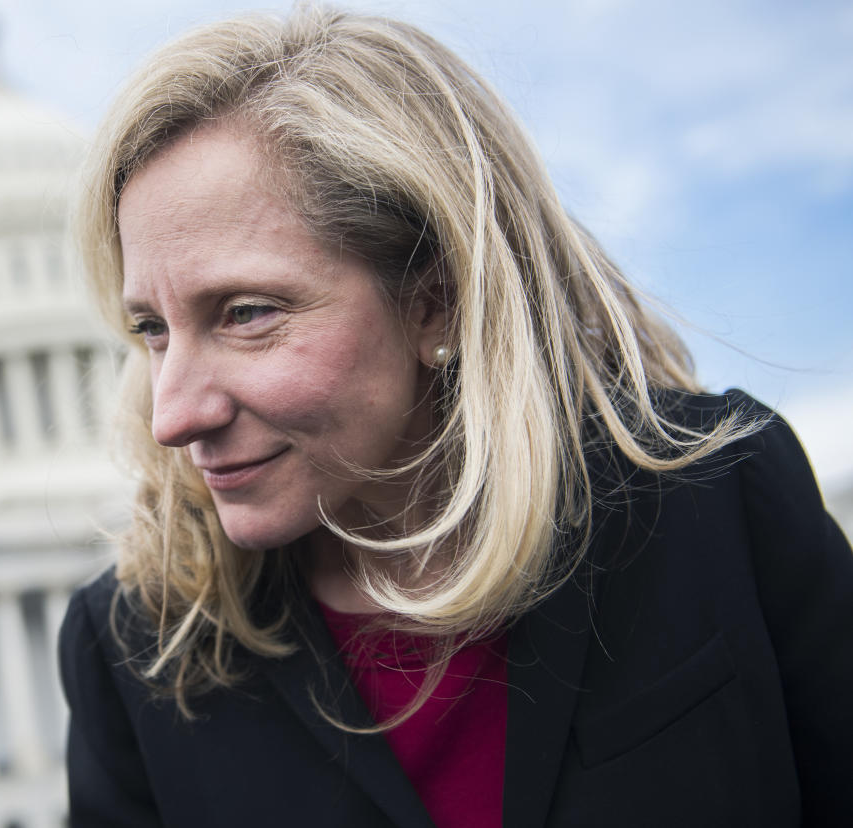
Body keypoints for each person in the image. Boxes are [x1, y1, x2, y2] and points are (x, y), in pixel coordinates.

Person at [59, 7, 853, 827]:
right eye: (151, 330)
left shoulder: (718, 497)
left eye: (247, 313)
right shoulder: (130, 654)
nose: (173, 414)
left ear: (437, 299)